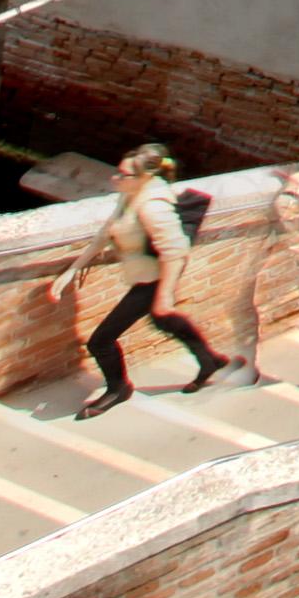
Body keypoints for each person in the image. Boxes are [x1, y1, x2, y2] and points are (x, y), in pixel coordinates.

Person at [72, 143, 231, 414]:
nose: (116, 179)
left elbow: (176, 250)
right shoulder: (130, 194)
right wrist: (72, 269)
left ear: (144, 176)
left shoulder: (154, 207)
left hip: (153, 280)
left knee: (101, 341)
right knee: (162, 319)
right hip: (145, 275)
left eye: (123, 175)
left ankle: (118, 389)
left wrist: (165, 294)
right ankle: (210, 360)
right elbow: (107, 231)